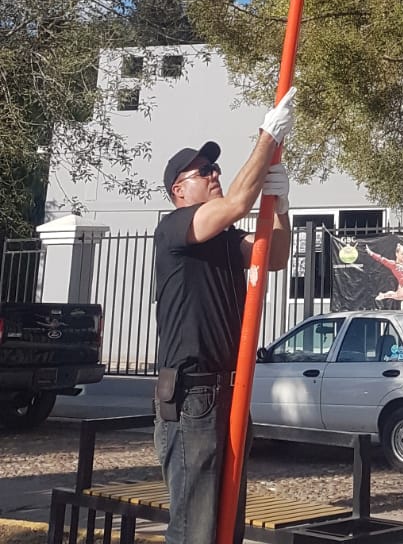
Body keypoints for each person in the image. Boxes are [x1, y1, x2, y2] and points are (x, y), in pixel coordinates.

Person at [153, 87, 296, 544]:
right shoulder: (174, 228)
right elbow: (235, 201)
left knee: (225, 523)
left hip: (230, 390)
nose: (214, 173)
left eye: (216, 167)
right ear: (180, 189)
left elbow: (271, 257)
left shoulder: (223, 239)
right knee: (195, 528)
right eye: (204, 170)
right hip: (193, 396)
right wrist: (265, 138)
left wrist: (281, 206)